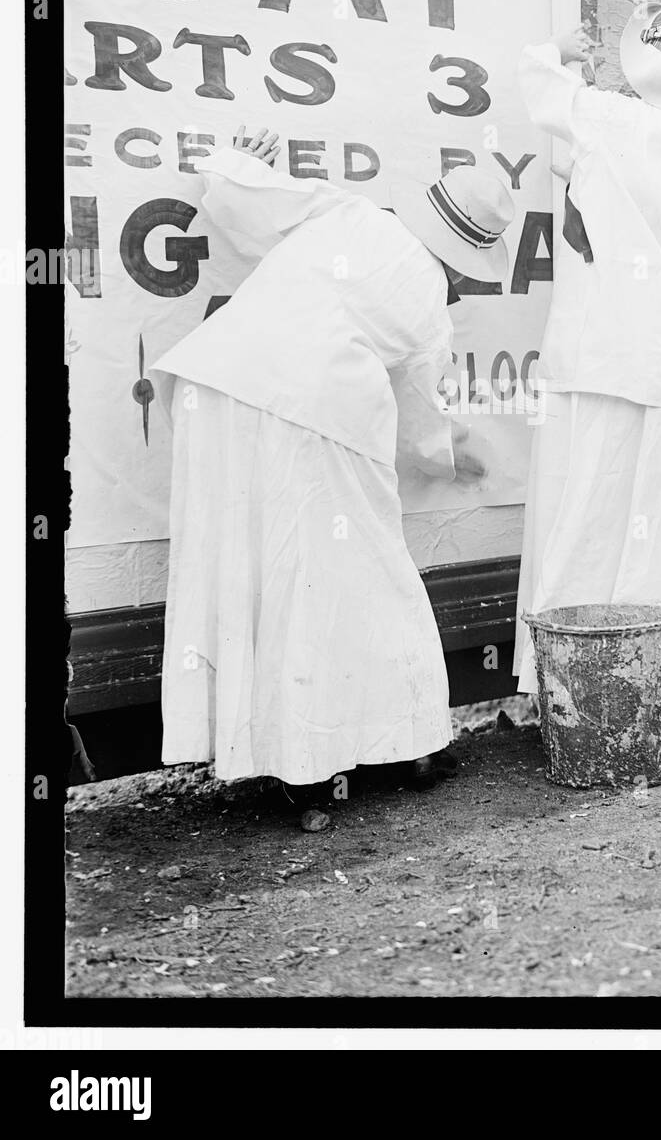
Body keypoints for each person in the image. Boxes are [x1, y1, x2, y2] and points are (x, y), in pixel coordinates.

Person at [151, 127, 515, 810]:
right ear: (468, 263)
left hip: (215, 386)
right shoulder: (431, 306)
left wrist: (239, 160)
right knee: (356, 573)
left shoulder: (350, 213)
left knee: (248, 568)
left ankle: (285, 761)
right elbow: (417, 413)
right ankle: (395, 749)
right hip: (306, 411)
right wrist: (449, 456)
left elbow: (236, 195)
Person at [513, 0, 661, 725]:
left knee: (582, 509)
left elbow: (541, 91)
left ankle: (568, 692)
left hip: (601, 352)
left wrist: (552, 49)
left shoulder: (618, 124)